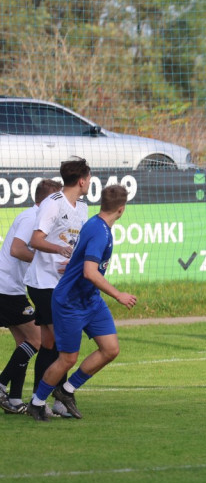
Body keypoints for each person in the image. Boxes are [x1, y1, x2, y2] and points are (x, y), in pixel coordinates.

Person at [26, 185, 137, 421]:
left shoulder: (97, 224)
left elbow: (81, 260)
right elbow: (90, 272)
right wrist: (119, 295)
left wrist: (74, 265)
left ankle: (66, 390)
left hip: (90, 300)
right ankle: (36, 403)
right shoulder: (99, 231)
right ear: (122, 209)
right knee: (67, 358)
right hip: (70, 302)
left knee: (110, 349)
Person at [26, 158, 92, 417]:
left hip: (63, 284)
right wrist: (59, 249)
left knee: (51, 343)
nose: (89, 182)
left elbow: (77, 245)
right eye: (89, 177)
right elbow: (35, 240)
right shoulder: (53, 204)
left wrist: (74, 262)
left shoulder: (84, 207)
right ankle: (49, 400)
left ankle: (45, 400)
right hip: (43, 283)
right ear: (82, 180)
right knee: (64, 344)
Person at [0, 179, 62, 414]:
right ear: (47, 201)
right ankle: (1, 383)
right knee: (37, 340)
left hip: (10, 287)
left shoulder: (35, 218)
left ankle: (14, 400)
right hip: (7, 288)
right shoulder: (31, 217)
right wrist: (45, 260)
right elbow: (17, 249)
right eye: (58, 200)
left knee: (24, 344)